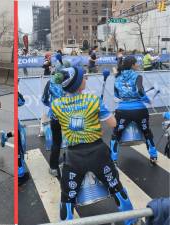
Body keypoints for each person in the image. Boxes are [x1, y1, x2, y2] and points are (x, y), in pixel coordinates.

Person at [52, 66, 136, 225]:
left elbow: (56, 131)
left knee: (67, 196)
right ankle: (130, 220)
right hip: (98, 152)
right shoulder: (93, 100)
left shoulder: (56, 105)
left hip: (73, 156)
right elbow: (113, 123)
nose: (86, 79)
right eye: (83, 77)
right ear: (77, 84)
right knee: (115, 186)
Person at [110, 56, 158, 164]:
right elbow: (140, 91)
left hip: (122, 111)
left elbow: (116, 94)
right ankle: (153, 156)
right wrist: (148, 99)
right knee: (146, 132)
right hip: (139, 110)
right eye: (137, 63)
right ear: (132, 65)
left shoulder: (117, 77)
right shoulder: (138, 76)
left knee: (116, 134)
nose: (138, 65)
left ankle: (113, 159)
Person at [41, 71, 65, 178]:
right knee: (75, 139)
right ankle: (74, 164)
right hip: (71, 114)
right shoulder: (71, 80)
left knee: (56, 142)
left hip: (55, 116)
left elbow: (44, 99)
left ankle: (54, 168)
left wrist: (51, 105)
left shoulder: (50, 82)